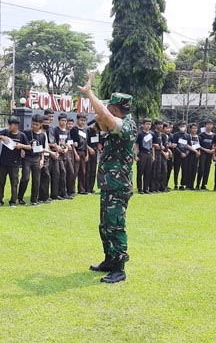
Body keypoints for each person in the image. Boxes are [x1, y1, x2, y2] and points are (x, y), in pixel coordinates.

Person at [79, 74, 136, 284]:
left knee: (116, 225)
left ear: (116, 108)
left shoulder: (128, 126)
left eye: (110, 106)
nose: (107, 108)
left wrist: (89, 92)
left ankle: (119, 268)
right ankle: (109, 260)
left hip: (119, 185)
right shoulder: (114, 122)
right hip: (109, 184)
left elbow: (103, 114)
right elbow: (102, 117)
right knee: (105, 225)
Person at [0, 116, 29, 207]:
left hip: (15, 163)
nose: (9, 126)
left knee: (14, 182)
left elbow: (29, 146)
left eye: (11, 125)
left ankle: (13, 201)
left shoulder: (22, 135)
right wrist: (2, 137)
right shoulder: (6, 132)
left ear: (16, 125)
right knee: (1, 182)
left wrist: (21, 146)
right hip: (4, 162)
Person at [19, 114, 48, 205]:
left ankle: (34, 200)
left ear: (41, 124)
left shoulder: (43, 135)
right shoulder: (26, 133)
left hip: (37, 158)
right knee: (25, 178)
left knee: (36, 180)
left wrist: (42, 159)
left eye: (36, 124)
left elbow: (42, 149)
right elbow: (21, 143)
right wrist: (22, 150)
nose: (34, 126)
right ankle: (20, 197)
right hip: (27, 158)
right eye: (33, 124)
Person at [134, 118, 155, 194]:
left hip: (149, 154)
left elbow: (153, 146)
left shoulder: (152, 134)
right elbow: (136, 145)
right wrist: (135, 155)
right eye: (147, 124)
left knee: (148, 172)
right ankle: (140, 188)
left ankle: (146, 188)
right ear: (143, 125)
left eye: (149, 124)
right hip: (142, 153)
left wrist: (153, 156)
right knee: (140, 171)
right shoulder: (140, 134)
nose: (148, 126)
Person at [73, 113, 89, 194]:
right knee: (74, 171)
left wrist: (87, 154)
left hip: (83, 151)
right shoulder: (74, 129)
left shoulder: (86, 130)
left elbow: (86, 143)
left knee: (83, 171)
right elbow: (72, 143)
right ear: (77, 120)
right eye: (81, 120)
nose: (83, 122)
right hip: (77, 151)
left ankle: (81, 189)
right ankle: (71, 189)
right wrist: (75, 154)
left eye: (84, 120)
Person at [197, 120, 215, 190]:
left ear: (212, 126)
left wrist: (212, 150)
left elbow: (214, 144)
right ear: (205, 125)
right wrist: (205, 150)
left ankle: (204, 185)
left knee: (207, 169)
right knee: (201, 168)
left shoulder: (214, 135)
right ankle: (198, 184)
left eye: (210, 124)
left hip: (210, 154)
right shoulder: (201, 135)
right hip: (203, 153)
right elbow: (198, 145)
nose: (209, 126)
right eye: (208, 124)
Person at [86, 119, 101, 194]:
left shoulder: (98, 132)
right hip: (88, 151)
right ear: (95, 126)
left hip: (95, 152)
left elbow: (98, 142)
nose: (98, 131)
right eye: (97, 129)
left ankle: (91, 188)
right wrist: (89, 148)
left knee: (93, 170)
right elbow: (84, 142)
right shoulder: (88, 131)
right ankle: (87, 188)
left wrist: (99, 147)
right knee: (88, 170)